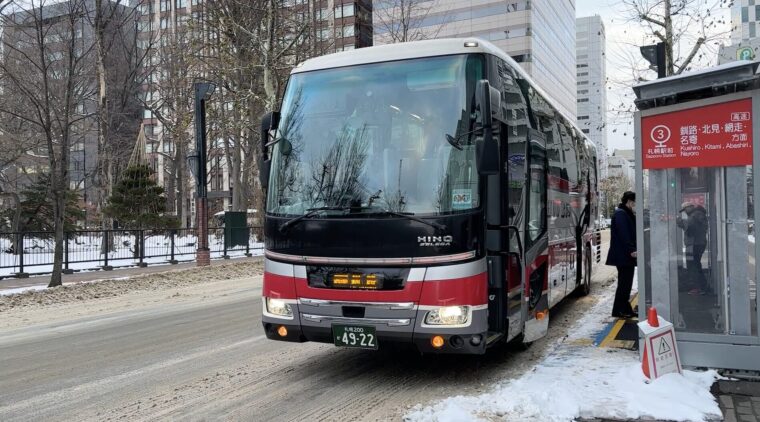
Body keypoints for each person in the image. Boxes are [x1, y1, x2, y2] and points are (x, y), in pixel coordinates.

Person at [606, 191, 637, 318]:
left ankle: (625, 308)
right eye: (635, 202)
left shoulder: (625, 213)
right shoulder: (621, 214)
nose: (636, 205)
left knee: (626, 283)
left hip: (625, 255)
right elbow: (624, 235)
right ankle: (619, 310)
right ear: (629, 201)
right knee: (624, 284)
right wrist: (631, 250)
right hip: (623, 255)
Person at [677, 202, 708, 295]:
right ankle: (702, 287)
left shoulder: (695, 214)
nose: (685, 212)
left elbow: (690, 227)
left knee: (693, 265)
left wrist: (679, 222)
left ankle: (698, 287)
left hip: (695, 244)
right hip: (697, 243)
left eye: (685, 209)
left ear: (690, 207)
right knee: (696, 265)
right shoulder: (697, 214)